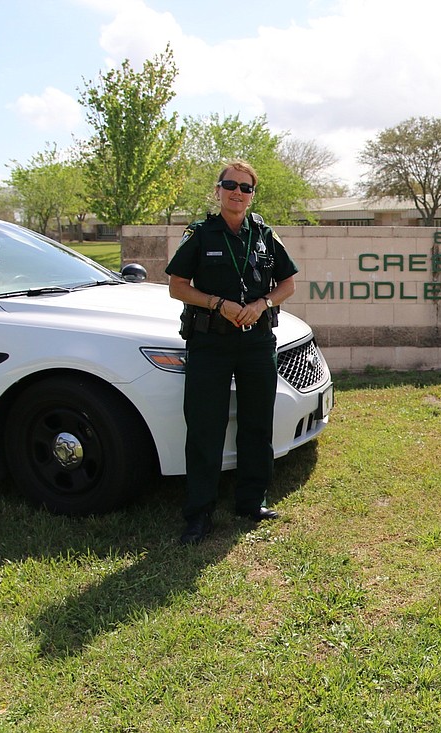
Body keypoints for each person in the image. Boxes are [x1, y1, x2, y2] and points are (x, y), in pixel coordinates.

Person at [166, 160, 298, 545]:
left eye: (246, 188)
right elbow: (177, 285)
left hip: (257, 342)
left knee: (257, 424)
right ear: (218, 190)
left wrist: (262, 305)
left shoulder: (264, 234)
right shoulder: (201, 233)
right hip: (210, 343)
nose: (238, 193)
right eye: (230, 185)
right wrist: (217, 303)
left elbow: (288, 283)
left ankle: (251, 501)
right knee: (205, 426)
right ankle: (199, 514)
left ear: (253, 195)